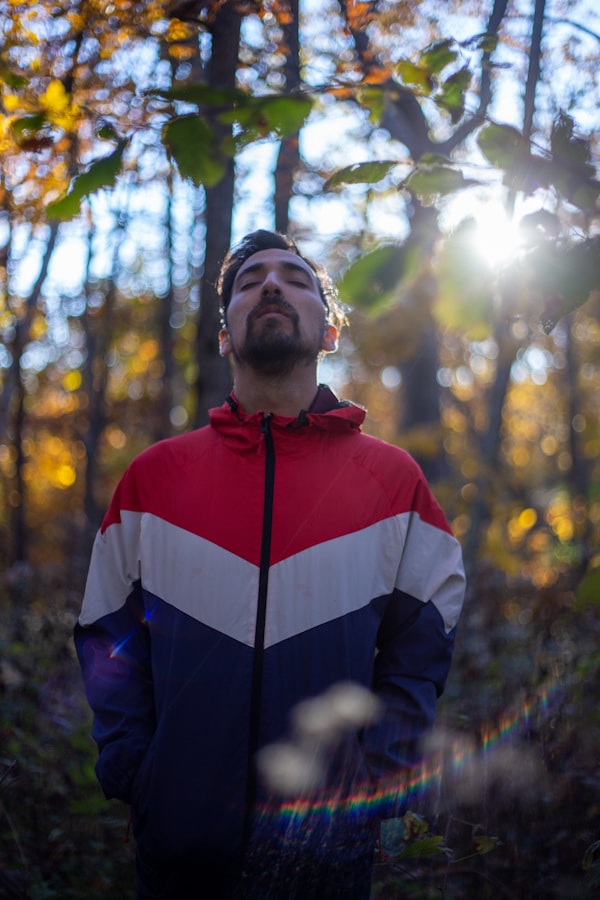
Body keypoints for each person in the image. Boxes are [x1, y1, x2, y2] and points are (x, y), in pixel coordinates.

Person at [74, 229, 466, 899]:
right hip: (179, 849)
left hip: (329, 850)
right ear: (224, 335)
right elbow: (106, 630)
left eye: (294, 277)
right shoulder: (154, 478)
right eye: (250, 280)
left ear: (330, 331)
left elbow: (421, 646)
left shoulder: (392, 481)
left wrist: (377, 775)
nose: (272, 285)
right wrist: (135, 767)